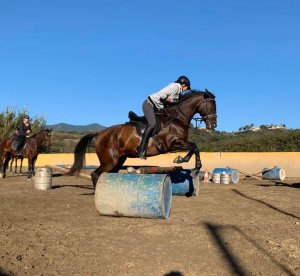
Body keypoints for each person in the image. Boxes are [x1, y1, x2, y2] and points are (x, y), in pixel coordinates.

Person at [137, 76, 191, 159]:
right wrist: (173, 101)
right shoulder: (175, 86)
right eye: (187, 88)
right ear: (184, 85)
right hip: (149, 104)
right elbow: (162, 96)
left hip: (155, 107)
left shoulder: (177, 90)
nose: (186, 90)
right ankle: (141, 149)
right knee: (152, 124)